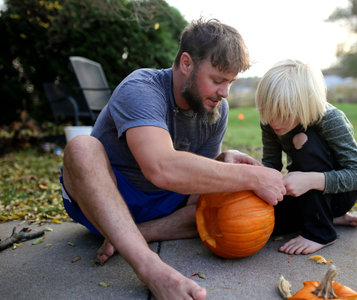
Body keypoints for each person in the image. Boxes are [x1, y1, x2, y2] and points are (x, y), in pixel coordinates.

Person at [60, 19, 286, 300]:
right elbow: (160, 167)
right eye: (217, 80)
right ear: (187, 63)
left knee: (225, 176)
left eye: (230, 82)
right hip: (105, 199)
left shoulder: (216, 108)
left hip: (165, 204)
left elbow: (197, 188)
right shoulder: (142, 87)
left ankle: (136, 235)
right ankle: (150, 267)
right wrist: (257, 176)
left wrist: (223, 160)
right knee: (81, 147)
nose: (224, 93)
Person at [255, 59, 357, 255]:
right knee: (267, 225)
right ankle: (329, 218)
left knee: (304, 139)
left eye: (283, 113)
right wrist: (256, 182)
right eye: (268, 111)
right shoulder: (270, 122)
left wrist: (310, 180)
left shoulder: (329, 119)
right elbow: (271, 164)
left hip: (338, 193)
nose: (274, 121)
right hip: (304, 193)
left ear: (304, 104)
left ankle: (321, 233)